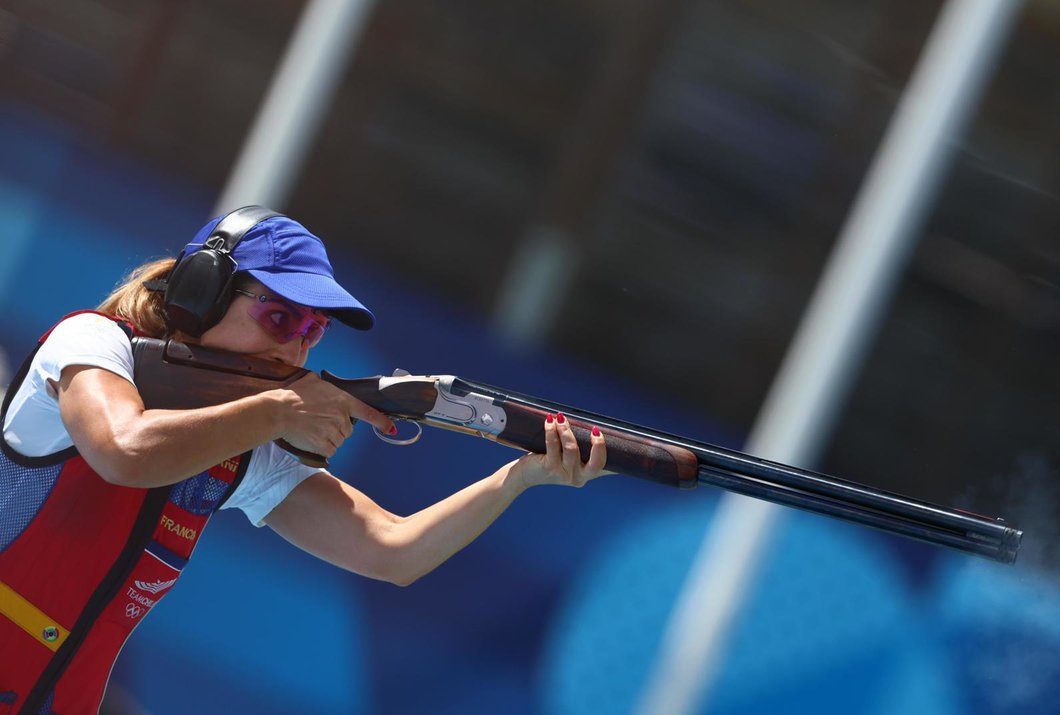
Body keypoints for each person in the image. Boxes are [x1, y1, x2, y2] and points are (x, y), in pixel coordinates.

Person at [0, 206, 609, 712]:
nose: (293, 346)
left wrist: (520, 476)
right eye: (279, 316)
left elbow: (391, 550)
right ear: (201, 290)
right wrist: (276, 412)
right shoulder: (92, 342)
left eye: (312, 330)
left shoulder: (242, 449)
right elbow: (123, 452)